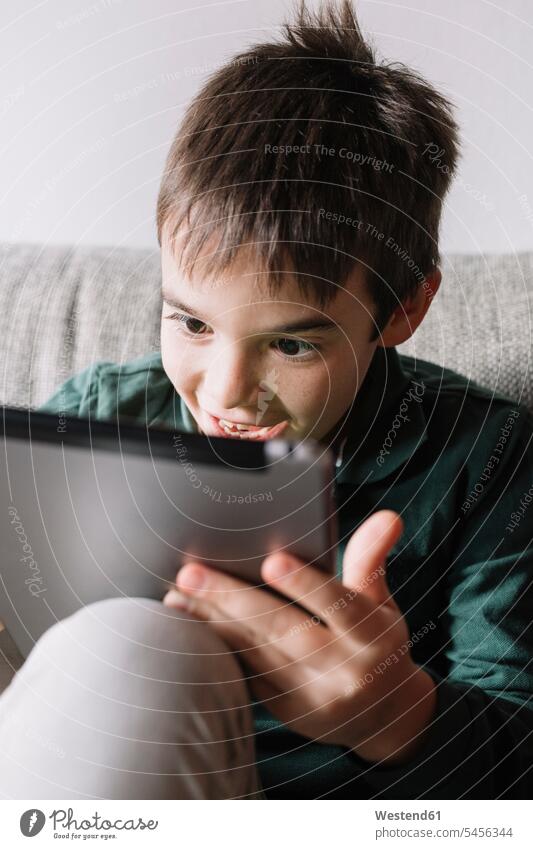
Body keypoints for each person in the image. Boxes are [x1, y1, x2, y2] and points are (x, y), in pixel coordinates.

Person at [0, 0, 531, 800]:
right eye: (191, 322)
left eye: (291, 343)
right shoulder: (96, 416)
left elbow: (516, 757)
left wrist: (395, 716)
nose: (222, 393)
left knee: (133, 649)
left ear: (402, 309)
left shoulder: (489, 462)